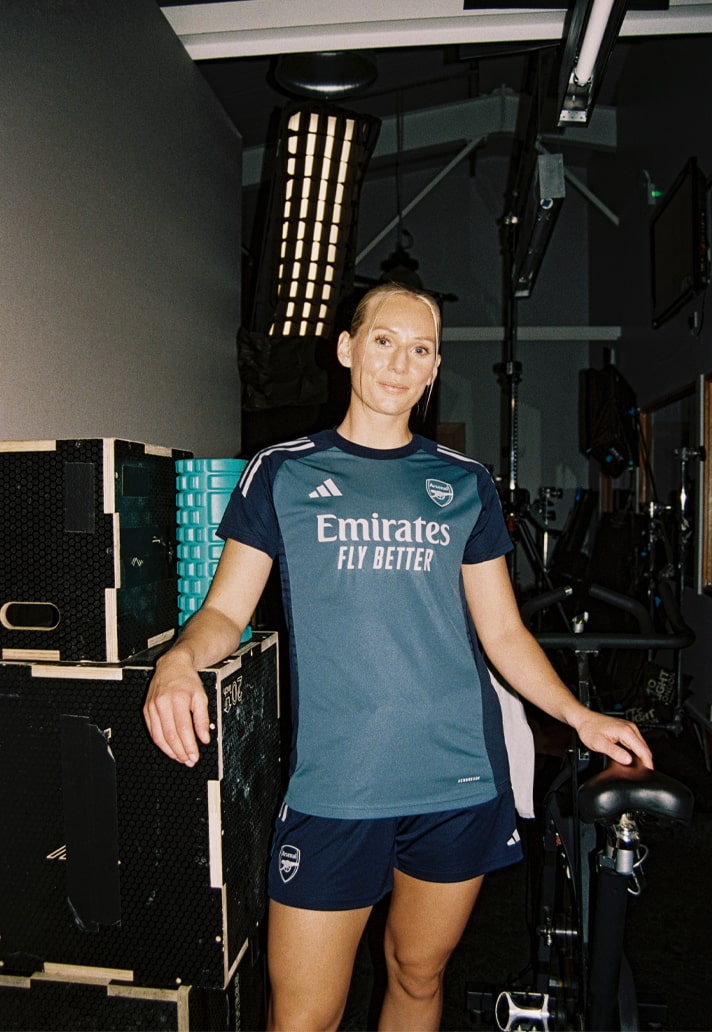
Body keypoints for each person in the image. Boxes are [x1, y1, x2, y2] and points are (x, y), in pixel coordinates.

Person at [143, 282, 653, 1032]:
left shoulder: (464, 482)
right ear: (347, 349)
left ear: (435, 366)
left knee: (418, 975)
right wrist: (178, 661)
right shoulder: (281, 471)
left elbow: (504, 633)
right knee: (304, 1015)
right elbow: (225, 612)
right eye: (384, 341)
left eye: (421, 349)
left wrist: (579, 716)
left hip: (457, 777)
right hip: (337, 785)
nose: (400, 362)